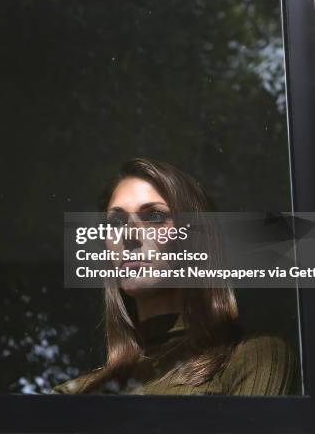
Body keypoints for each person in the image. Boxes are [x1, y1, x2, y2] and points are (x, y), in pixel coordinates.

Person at [53, 157, 297, 395]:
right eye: (115, 221)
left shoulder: (254, 356)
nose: (127, 234)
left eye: (155, 216)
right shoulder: (74, 396)